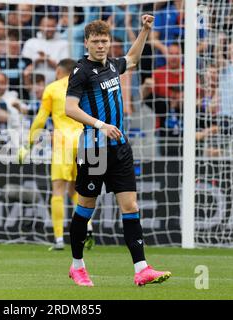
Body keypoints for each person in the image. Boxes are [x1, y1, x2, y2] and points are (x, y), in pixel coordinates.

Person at [64, 17, 171, 287]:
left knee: (130, 206)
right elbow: (70, 108)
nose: (101, 45)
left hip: (120, 148)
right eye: (96, 41)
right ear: (86, 42)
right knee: (87, 205)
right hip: (93, 149)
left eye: (104, 40)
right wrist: (102, 124)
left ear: (109, 42)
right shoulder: (81, 71)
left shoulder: (112, 65)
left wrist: (146, 30)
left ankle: (142, 269)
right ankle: (77, 266)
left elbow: (132, 58)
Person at [20, 59, 96, 251]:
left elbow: (40, 119)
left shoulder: (52, 88)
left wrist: (28, 144)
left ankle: (59, 239)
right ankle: (88, 227)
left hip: (63, 143)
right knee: (77, 191)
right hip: (84, 142)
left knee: (58, 191)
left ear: (58, 71)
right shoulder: (84, 86)